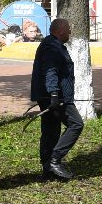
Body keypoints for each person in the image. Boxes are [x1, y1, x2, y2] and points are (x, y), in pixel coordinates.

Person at [30, 18, 84, 182]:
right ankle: (54, 160)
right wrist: (54, 94)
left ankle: (47, 170)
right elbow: (50, 71)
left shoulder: (52, 44)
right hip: (55, 97)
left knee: (51, 131)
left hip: (49, 95)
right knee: (76, 124)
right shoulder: (52, 47)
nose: (69, 32)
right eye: (68, 29)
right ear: (60, 30)